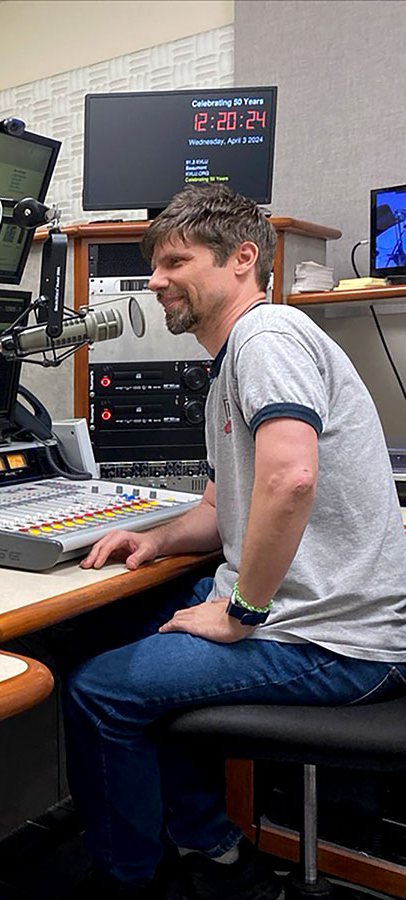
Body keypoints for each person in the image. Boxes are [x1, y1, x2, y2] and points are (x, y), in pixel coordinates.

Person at [67, 185, 406, 899]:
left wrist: (240, 611)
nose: (155, 280)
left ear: (243, 259)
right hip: (308, 615)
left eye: (174, 261)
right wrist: (154, 541)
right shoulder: (232, 362)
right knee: (113, 632)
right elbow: (224, 510)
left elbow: (290, 479)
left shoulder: (266, 338)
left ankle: (131, 880)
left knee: (101, 692)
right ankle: (213, 848)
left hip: (333, 641)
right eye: (153, 265)